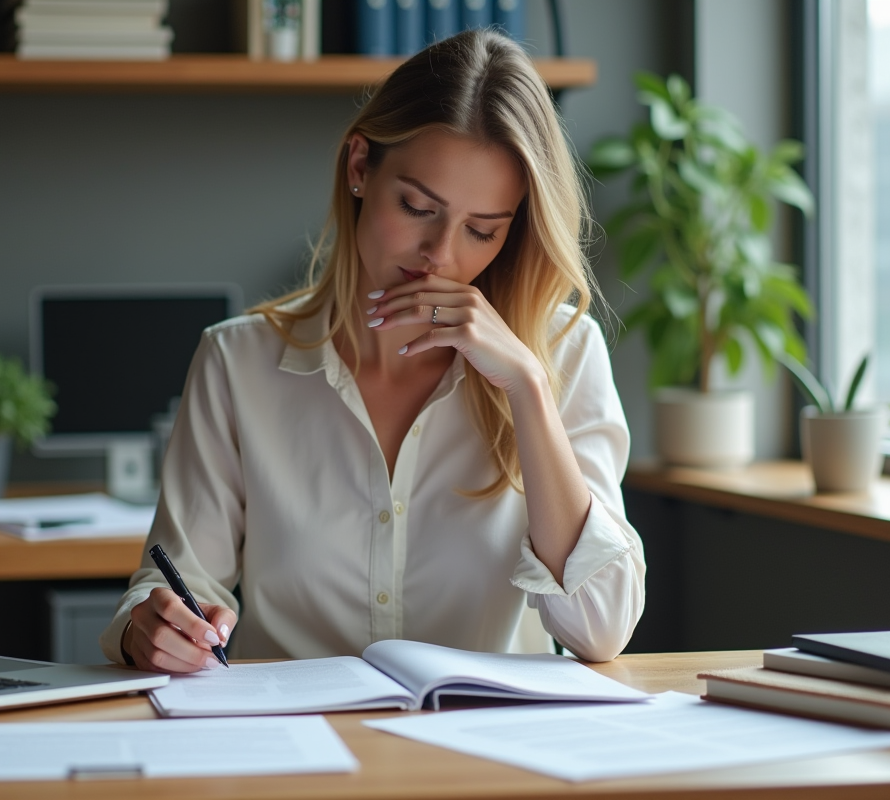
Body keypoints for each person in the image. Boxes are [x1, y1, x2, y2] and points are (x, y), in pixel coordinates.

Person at [100, 29, 645, 674]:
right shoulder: (236, 363)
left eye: (481, 231)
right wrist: (152, 627)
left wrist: (527, 386)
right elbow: (178, 582)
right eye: (417, 207)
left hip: (485, 758)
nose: (441, 256)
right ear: (360, 168)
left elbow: (602, 629)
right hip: (295, 753)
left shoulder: (562, 353)